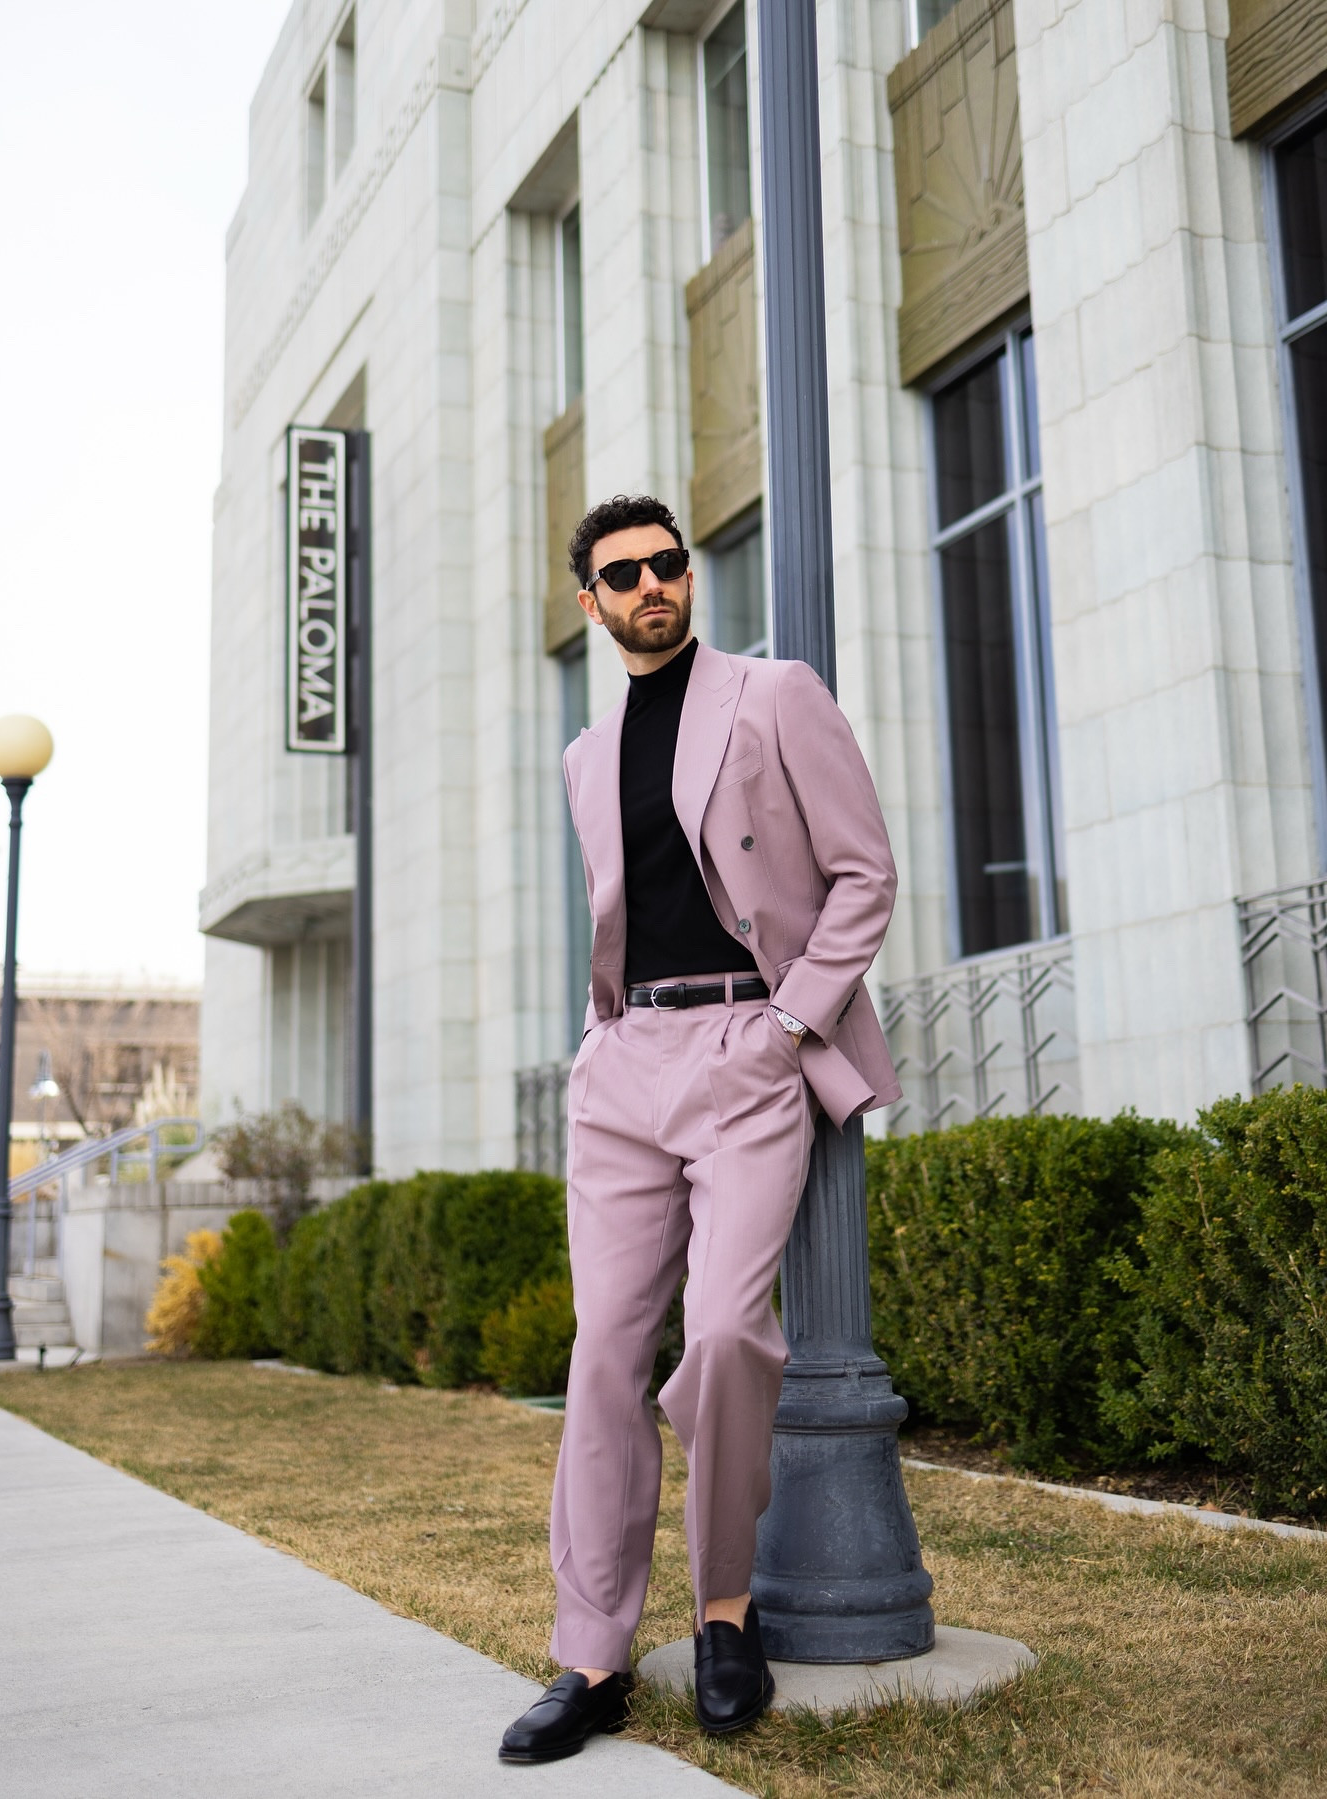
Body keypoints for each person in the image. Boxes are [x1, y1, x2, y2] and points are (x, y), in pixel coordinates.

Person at [499, 494, 900, 1765]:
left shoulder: (775, 693)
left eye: (669, 563)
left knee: (728, 1330)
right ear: (591, 603)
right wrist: (598, 1039)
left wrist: (790, 1025)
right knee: (603, 1357)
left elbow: (863, 871)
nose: (654, 584)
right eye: (625, 574)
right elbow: (622, 919)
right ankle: (591, 1656)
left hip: (746, 1047)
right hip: (626, 1066)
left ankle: (726, 1611)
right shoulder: (584, 752)